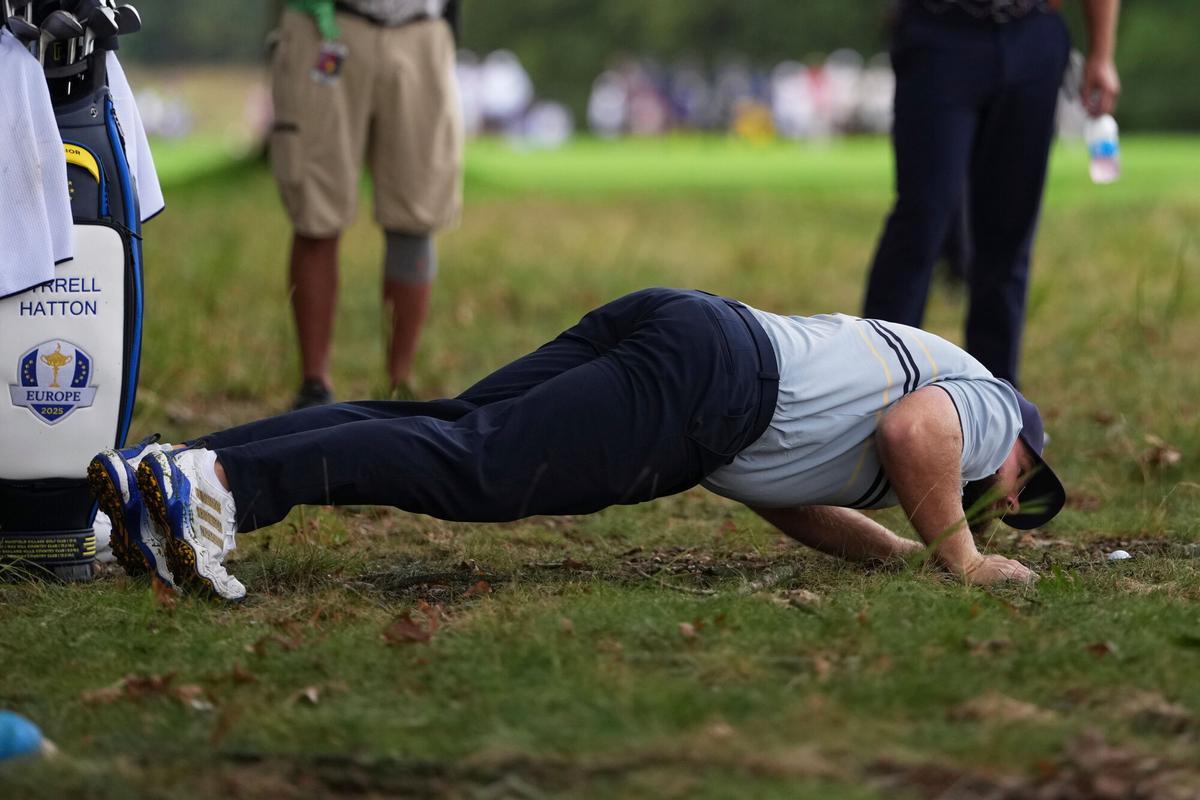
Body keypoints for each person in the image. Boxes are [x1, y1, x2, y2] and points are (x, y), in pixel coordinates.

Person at [89, 288, 1067, 601]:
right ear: (1019, 438)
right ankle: (216, 486)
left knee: (443, 425)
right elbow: (916, 431)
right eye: (1026, 484)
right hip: (712, 386)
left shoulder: (914, 400)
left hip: (695, 334)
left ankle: (167, 475)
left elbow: (782, 488)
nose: (1012, 496)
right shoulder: (986, 407)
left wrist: (899, 552)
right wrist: (965, 556)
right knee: (478, 465)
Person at [862, 0, 1121, 386]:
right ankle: (874, 388)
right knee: (923, 217)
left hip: (1033, 33)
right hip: (940, 32)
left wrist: (1102, 53)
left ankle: (996, 398)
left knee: (1010, 228)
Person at [269, 0, 463, 408]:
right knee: (315, 210)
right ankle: (314, 385)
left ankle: (398, 387)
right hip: (324, 24)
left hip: (421, 27)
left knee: (417, 212)